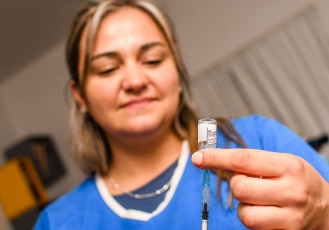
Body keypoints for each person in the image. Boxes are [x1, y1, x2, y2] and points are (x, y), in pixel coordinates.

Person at [34, 0, 329, 229]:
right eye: (108, 69)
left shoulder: (257, 139)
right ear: (80, 95)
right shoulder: (57, 223)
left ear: (177, 71)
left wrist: (323, 218)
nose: (135, 81)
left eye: (152, 60)